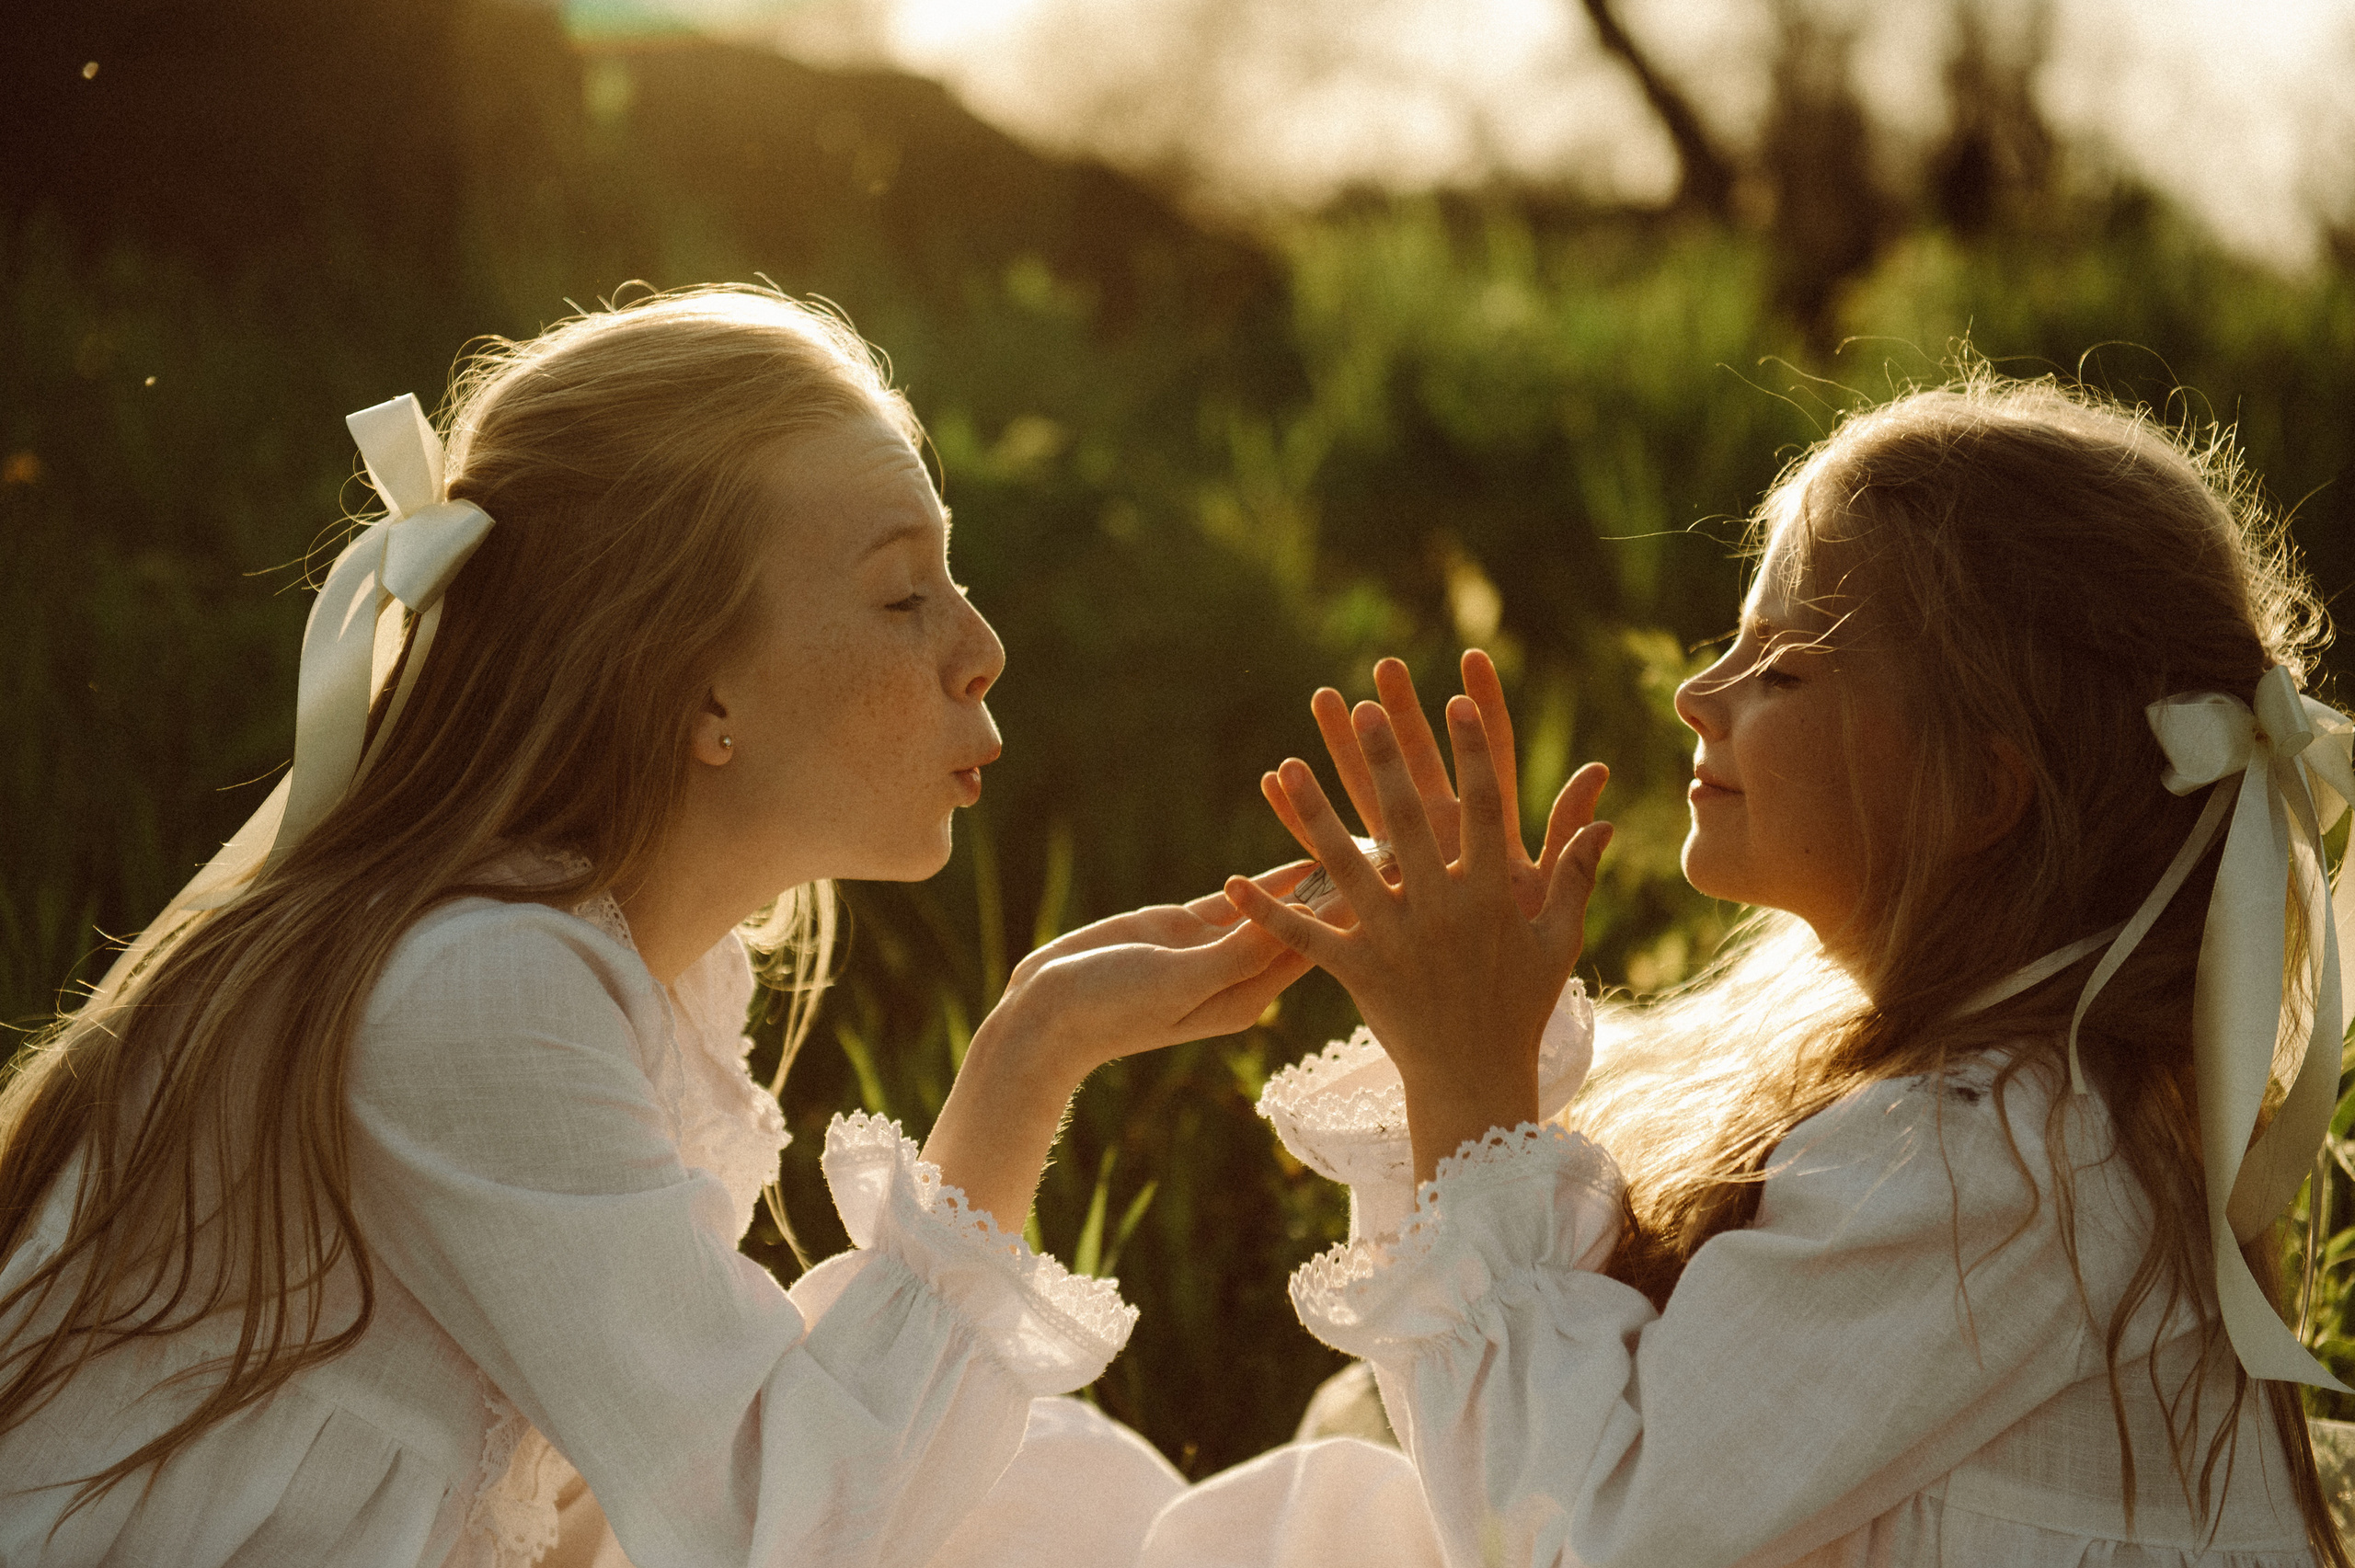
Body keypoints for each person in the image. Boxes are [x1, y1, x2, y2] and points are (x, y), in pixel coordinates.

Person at [0, 285, 1311, 1567]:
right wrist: (1031, 1056)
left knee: (1049, 1495)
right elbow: (768, 1527)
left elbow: (601, 1498)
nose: (981, 646)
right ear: (697, 682)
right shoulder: (479, 989)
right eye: (905, 593)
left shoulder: (645, 974)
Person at [1199, 372, 2355, 1565]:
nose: (1699, 696)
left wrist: (1468, 1087)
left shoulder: (2001, 1153)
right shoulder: (1991, 1108)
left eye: (1781, 667)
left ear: (1981, 787)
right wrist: (1468, 1032)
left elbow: (1583, 1536)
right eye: (1729, 649)